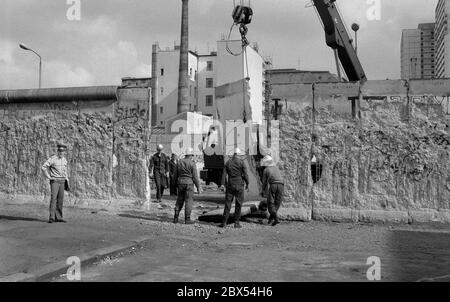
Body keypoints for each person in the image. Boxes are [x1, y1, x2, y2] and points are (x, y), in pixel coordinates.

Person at [219, 148, 249, 229]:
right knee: (238, 204)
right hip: (239, 184)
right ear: (239, 154)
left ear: (233, 154)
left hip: (230, 184)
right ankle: (236, 223)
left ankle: (224, 222)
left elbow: (224, 174)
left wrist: (222, 184)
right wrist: (247, 184)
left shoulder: (228, 162)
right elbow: (245, 174)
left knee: (228, 204)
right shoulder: (242, 163)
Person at [41, 142, 70, 223]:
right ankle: (52, 217)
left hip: (62, 181)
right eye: (60, 151)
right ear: (58, 151)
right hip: (55, 181)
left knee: (60, 199)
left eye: (63, 151)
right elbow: (43, 167)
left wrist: (67, 181)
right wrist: (48, 177)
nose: (61, 152)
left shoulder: (64, 160)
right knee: (53, 199)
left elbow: (65, 171)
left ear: (65, 152)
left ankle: (59, 217)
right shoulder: (53, 158)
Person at [173, 147, 202, 224]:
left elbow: (175, 175)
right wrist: (198, 187)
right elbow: (195, 177)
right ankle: (187, 219)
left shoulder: (179, 162)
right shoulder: (192, 163)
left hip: (180, 183)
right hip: (189, 184)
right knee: (188, 201)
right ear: (191, 155)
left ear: (185, 154)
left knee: (179, 200)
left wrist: (174, 185)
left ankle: (176, 217)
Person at [260, 155, 284, 226]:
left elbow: (264, 182)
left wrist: (263, 190)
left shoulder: (266, 170)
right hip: (281, 185)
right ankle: (270, 220)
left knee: (270, 203)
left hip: (273, 185)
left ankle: (276, 219)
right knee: (277, 202)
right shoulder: (276, 168)